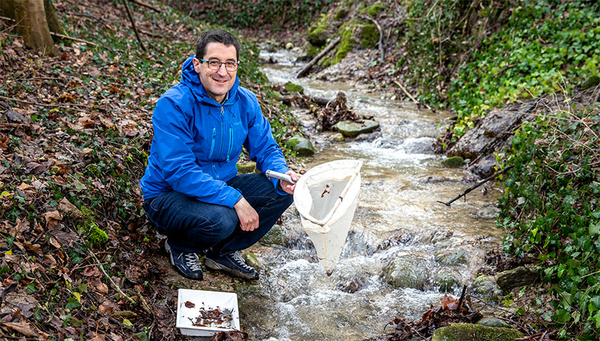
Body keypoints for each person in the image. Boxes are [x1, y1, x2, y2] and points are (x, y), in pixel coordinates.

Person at [139, 29, 299, 281]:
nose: (222, 72)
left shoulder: (245, 101)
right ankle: (180, 246)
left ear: (237, 66)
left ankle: (221, 251)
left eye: (229, 64)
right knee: (223, 218)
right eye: (213, 62)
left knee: (284, 191)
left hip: (219, 185)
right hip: (168, 196)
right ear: (197, 64)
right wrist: (236, 199)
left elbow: (266, 148)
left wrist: (281, 174)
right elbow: (180, 173)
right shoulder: (173, 104)